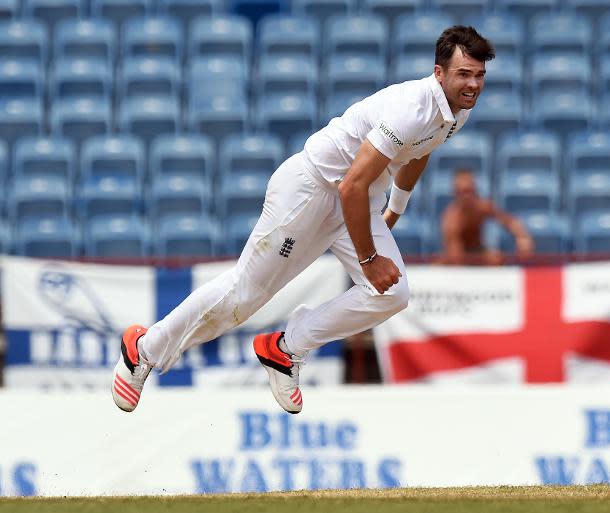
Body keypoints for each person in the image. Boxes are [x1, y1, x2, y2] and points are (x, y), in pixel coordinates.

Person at [111, 26, 495, 414]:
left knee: (392, 294)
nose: (473, 84)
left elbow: (419, 151)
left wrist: (396, 207)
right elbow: (351, 186)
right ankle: (142, 350)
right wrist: (368, 260)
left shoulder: (455, 111)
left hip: (353, 199)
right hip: (311, 190)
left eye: (479, 75)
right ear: (438, 73)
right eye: (464, 74)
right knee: (244, 296)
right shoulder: (412, 107)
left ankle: (285, 348)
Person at [440, 169, 534, 265]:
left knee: (495, 258)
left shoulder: (481, 206)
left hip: (477, 250)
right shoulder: (451, 219)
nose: (467, 196)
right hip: (457, 257)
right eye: (462, 192)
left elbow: (508, 220)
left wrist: (522, 237)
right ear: (455, 193)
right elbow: (455, 254)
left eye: (470, 191)